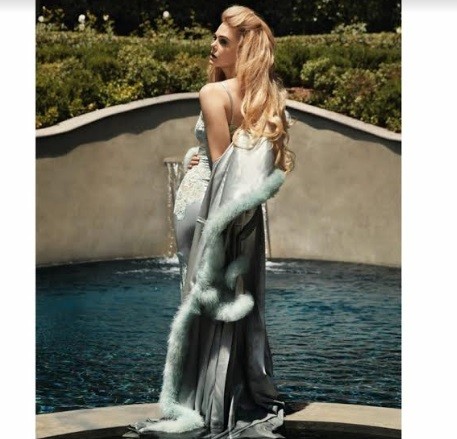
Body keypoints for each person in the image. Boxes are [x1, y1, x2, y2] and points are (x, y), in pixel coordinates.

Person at [127, 5, 294, 438]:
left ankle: (196, 398)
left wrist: (197, 159)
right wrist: (195, 155)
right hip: (243, 211)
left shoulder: (213, 93)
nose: (213, 45)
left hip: (205, 203)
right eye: (215, 37)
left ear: (244, 49)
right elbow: (250, 162)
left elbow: (220, 166)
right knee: (229, 296)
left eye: (223, 41)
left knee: (197, 295)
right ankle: (223, 392)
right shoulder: (267, 97)